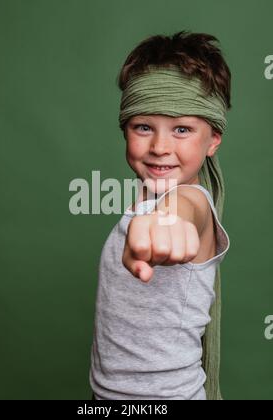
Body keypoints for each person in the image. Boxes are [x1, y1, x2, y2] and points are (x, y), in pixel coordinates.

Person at [89, 30, 231, 400]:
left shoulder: (191, 201)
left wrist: (169, 221)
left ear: (213, 139)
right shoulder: (141, 201)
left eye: (182, 129)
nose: (160, 147)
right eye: (144, 127)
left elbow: (184, 211)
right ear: (125, 129)